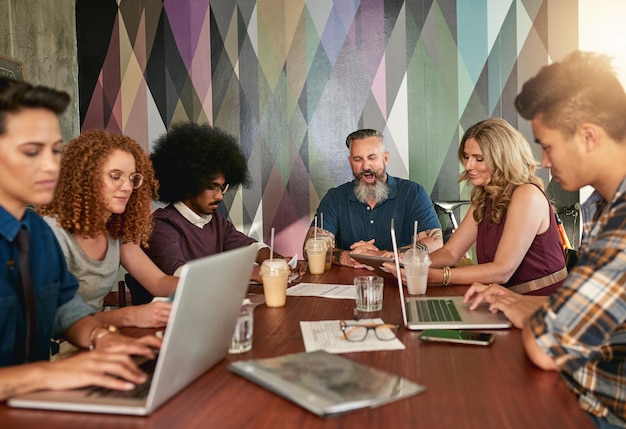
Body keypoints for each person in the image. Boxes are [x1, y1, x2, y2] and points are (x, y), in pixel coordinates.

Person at [464, 51, 626, 428]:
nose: (544, 160)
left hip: (602, 411)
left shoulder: (620, 222)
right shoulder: (602, 206)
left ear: (588, 135)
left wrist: (534, 311)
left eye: (548, 146)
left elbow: (546, 347)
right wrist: (533, 309)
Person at [0, 77, 160, 400]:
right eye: (32, 151)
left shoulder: (37, 233)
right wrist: (50, 371)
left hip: (33, 403)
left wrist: (102, 337)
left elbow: (64, 306)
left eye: (56, 151)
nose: (51, 165)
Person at [384, 118, 567, 295]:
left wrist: (437, 276)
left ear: (503, 159)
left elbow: (502, 271)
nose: (469, 166)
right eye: (466, 157)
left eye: (479, 159)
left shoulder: (527, 195)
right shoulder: (484, 198)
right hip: (503, 299)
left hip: (542, 305)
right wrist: (409, 264)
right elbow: (450, 253)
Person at [38, 130, 177, 327]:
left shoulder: (115, 233)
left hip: (96, 339)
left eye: (132, 178)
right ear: (86, 178)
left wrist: (208, 287)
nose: (127, 187)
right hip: (57, 350)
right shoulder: (52, 233)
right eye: (115, 176)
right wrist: (129, 316)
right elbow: (53, 319)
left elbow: (159, 282)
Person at [143, 121, 302, 286]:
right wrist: (251, 272)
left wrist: (276, 261)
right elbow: (180, 275)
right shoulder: (162, 225)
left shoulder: (214, 220)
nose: (219, 196)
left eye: (221, 187)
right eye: (211, 187)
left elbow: (250, 247)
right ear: (189, 183)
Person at [305, 128, 443, 267]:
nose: (365, 166)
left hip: (400, 281)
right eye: (358, 159)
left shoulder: (414, 193)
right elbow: (309, 247)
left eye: (372, 157)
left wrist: (383, 256)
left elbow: (436, 243)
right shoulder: (335, 197)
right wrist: (347, 257)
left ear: (385, 158)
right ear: (350, 162)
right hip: (347, 284)